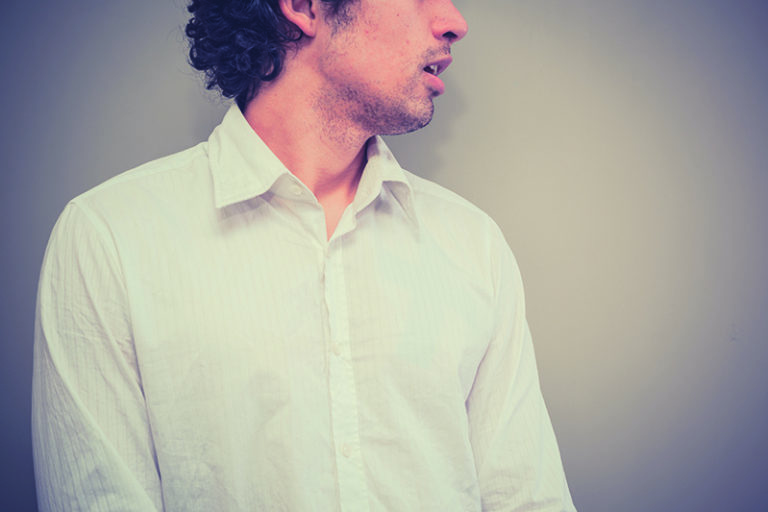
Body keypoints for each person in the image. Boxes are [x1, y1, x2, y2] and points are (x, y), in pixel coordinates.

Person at [32, 0, 576, 510]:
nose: (454, 19)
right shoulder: (110, 239)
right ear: (303, 6)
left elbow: (526, 497)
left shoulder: (473, 244)